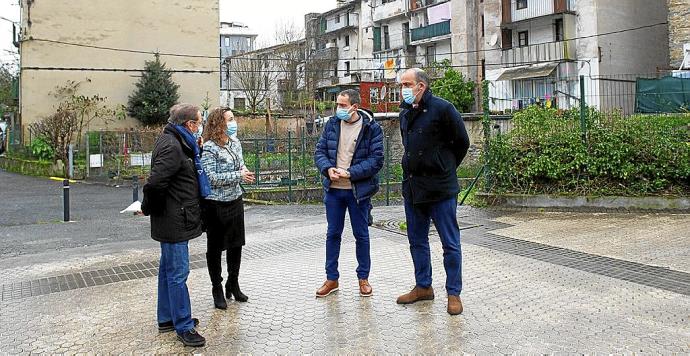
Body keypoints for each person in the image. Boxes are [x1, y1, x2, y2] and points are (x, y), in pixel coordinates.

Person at [395, 68, 470, 316]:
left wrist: (444, 166)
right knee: (416, 240)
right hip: (414, 188)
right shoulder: (405, 112)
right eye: (401, 85)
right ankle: (423, 286)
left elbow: (461, 142)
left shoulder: (443, 109)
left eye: (406, 84)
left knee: (450, 243)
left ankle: (453, 293)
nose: (402, 89)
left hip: (441, 188)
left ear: (421, 86)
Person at [141, 103, 211, 347]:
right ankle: (184, 326)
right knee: (178, 273)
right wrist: (147, 206)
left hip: (173, 216)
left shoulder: (178, 141)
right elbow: (155, 183)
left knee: (167, 270)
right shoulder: (173, 145)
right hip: (173, 219)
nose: (201, 126)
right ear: (189, 125)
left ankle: (167, 318)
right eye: (199, 122)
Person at [314, 89, 384, 298]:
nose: (338, 109)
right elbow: (320, 151)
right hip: (334, 190)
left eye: (343, 106)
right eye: (337, 105)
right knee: (333, 234)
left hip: (358, 192)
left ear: (354, 106)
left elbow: (376, 160)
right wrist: (327, 169)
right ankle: (331, 279)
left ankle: (363, 278)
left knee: (361, 235)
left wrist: (350, 173)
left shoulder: (371, 128)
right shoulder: (332, 125)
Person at [200, 107, 255, 309]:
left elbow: (240, 165)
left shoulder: (235, 143)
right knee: (214, 248)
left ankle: (234, 282)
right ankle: (217, 287)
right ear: (218, 124)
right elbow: (211, 178)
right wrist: (237, 176)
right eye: (230, 119)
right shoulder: (209, 148)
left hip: (235, 200)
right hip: (215, 204)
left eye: (234, 118)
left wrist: (244, 171)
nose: (234, 123)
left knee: (236, 244)